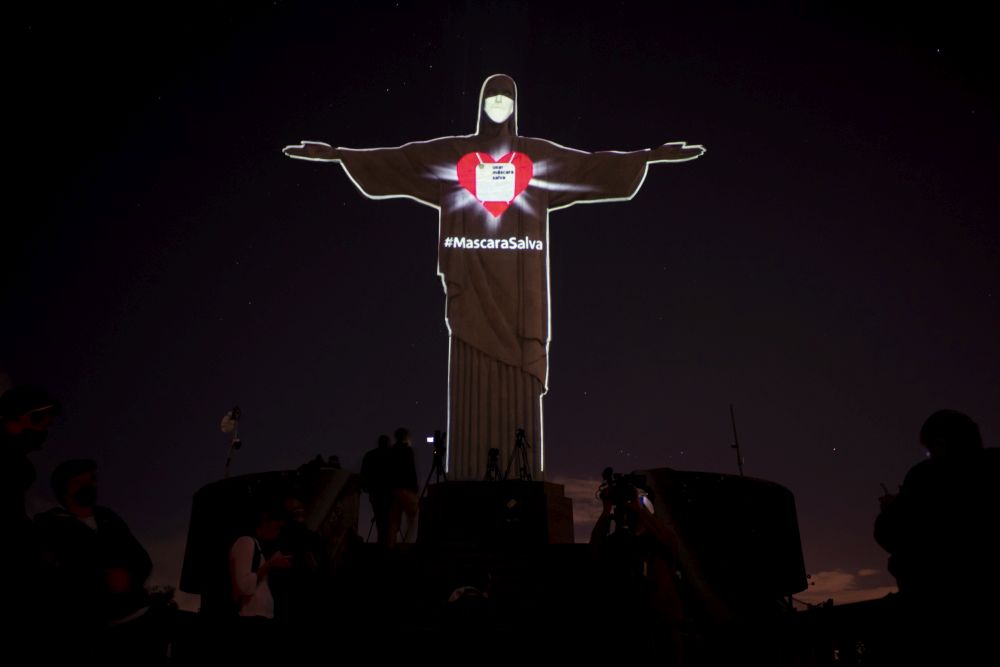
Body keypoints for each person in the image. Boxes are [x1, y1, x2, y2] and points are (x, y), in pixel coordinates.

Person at [284, 74, 705, 480]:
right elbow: (403, 159)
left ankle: (520, 471)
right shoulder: (455, 155)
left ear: (516, 106)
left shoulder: (535, 157)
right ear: (481, 105)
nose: (499, 105)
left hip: (522, 293)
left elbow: (588, 167)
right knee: (470, 370)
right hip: (471, 285)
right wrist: (340, 154)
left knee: (518, 380)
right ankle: (468, 469)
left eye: (507, 97)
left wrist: (647, 156)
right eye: (492, 97)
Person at [874, 410, 1000, 662]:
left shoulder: (927, 477)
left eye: (930, 450)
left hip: (936, 611)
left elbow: (892, 534)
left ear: (940, 443)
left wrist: (891, 510)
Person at [35, 458, 158, 662]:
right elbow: (59, 579)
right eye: (80, 483)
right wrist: (103, 582)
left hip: (141, 620)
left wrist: (129, 577)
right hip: (96, 634)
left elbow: (141, 559)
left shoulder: (108, 517)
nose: (89, 486)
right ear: (64, 490)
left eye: (91, 480)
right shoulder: (50, 527)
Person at [590, 482, 685, 663]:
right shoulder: (619, 541)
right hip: (633, 615)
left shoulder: (658, 538)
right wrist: (606, 512)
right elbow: (595, 550)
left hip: (663, 615)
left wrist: (638, 509)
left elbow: (669, 540)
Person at [387, 427, 418, 548]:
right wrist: (414, 487)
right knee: (414, 515)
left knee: (393, 520)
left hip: (394, 488)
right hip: (406, 488)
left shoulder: (391, 451)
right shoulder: (407, 450)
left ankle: (391, 545)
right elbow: (411, 469)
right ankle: (408, 541)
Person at [360, 434, 392, 545]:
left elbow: (364, 473)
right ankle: (386, 543)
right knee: (387, 517)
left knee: (379, 517)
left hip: (375, 492)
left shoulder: (370, 455)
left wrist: (366, 488)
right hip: (388, 492)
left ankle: (382, 541)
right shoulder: (391, 455)